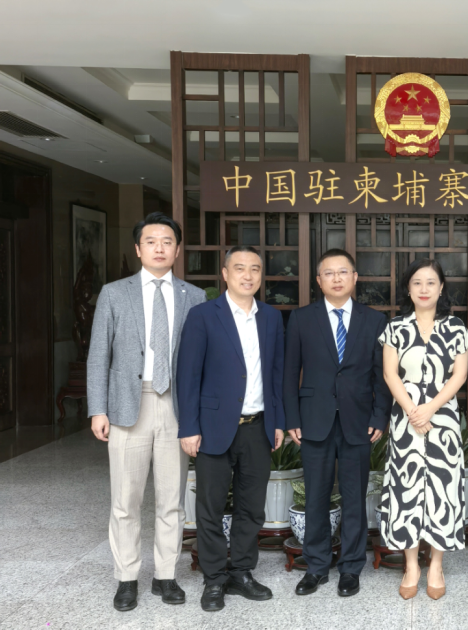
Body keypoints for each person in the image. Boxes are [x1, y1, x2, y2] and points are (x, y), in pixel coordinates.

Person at [87, 212, 206, 611]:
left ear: (177, 249)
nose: (159, 248)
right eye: (151, 241)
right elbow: (98, 354)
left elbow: (200, 360)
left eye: (167, 241)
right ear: (138, 249)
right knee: (126, 499)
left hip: (175, 404)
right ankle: (126, 578)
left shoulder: (194, 296)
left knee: (172, 497)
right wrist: (97, 408)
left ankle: (165, 575)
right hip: (127, 404)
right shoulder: (114, 293)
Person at [177, 245, 286, 612]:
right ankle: (213, 578)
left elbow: (276, 375)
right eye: (239, 268)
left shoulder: (271, 318)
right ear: (225, 274)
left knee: (251, 507)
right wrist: (189, 426)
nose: (248, 275)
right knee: (209, 507)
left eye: (255, 268)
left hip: (258, 426)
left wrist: (278, 421)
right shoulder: (203, 315)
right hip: (212, 427)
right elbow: (188, 375)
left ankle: (241, 572)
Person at [283, 249, 391, 598]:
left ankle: (351, 567)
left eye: (343, 272)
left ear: (355, 277)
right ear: (319, 280)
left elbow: (383, 375)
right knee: (316, 496)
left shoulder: (374, 320)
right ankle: (316, 566)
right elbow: (289, 373)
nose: (337, 278)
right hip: (313, 420)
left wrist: (380, 416)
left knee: (354, 497)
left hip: (359, 421)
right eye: (329, 273)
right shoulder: (301, 318)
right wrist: (291, 417)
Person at [378, 259, 468, 601]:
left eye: (431, 282)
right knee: (405, 490)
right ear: (408, 288)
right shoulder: (395, 327)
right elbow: (390, 374)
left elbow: (460, 375)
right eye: (417, 282)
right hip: (406, 421)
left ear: (441, 288)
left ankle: (436, 565)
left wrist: (430, 408)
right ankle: (411, 566)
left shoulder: (456, 327)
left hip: (443, 420)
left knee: (442, 490)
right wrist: (412, 410)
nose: (423, 289)